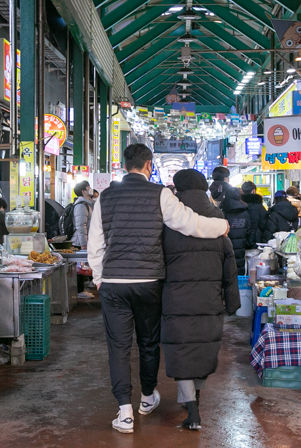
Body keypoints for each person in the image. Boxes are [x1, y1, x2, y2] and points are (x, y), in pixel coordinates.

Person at [87, 144, 230, 434]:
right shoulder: (160, 194)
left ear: (125, 164)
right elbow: (190, 224)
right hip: (149, 282)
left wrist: (99, 278)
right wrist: (222, 226)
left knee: (118, 347)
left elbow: (95, 242)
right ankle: (147, 397)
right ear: (149, 165)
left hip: (114, 283)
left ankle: (125, 412)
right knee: (148, 342)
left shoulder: (106, 197)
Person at [161, 169, 241, 431]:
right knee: (204, 348)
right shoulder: (218, 221)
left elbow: (157, 262)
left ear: (178, 190)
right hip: (210, 299)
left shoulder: (168, 221)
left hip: (176, 299)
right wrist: (232, 303)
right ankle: (196, 395)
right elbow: (230, 268)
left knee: (182, 349)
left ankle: (192, 409)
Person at [220, 185, 256, 272]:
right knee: (238, 273)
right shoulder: (245, 212)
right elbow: (249, 231)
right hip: (241, 250)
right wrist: (248, 244)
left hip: (225, 250)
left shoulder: (222, 212)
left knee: (227, 272)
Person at [62, 181, 95, 248]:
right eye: (88, 188)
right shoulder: (81, 206)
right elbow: (81, 226)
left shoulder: (87, 204)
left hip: (85, 241)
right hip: (79, 243)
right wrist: (84, 244)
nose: (91, 189)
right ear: (83, 191)